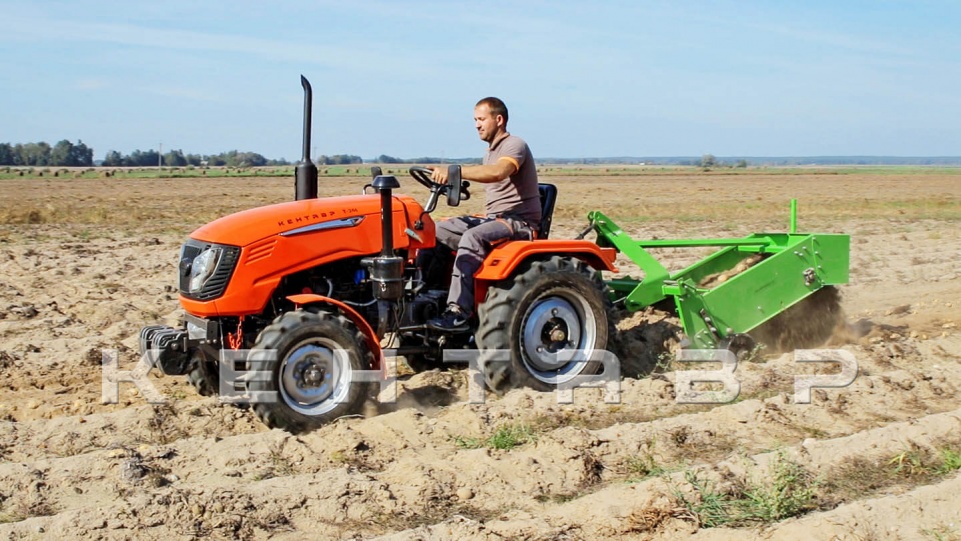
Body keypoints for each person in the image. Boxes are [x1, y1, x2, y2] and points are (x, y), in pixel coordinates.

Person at [426, 97, 541, 332]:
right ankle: (430, 294)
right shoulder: (489, 152)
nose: (476, 125)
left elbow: (498, 172)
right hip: (495, 218)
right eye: (475, 120)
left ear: (498, 120)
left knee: (473, 237)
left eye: (481, 119)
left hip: (519, 222)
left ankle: (459, 311)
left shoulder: (514, 145)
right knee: (435, 230)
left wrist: (454, 171)